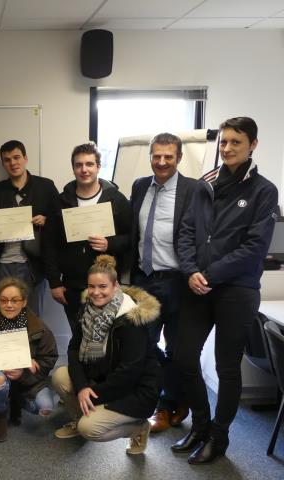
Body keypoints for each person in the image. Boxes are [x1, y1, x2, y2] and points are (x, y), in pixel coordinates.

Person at [173, 117, 279, 464]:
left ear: (253, 145)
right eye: (223, 142)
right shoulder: (204, 183)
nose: (228, 148)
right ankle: (200, 426)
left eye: (236, 141)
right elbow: (187, 232)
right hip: (197, 285)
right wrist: (190, 271)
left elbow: (255, 246)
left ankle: (219, 438)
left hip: (236, 289)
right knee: (183, 356)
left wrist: (209, 273)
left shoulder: (264, 191)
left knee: (226, 367)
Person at [52, 255, 161, 455]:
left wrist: (92, 396)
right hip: (101, 378)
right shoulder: (87, 310)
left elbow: (129, 373)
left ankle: (139, 428)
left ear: (116, 286)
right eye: (91, 287)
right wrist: (83, 386)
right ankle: (81, 418)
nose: (96, 292)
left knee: (90, 429)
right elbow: (74, 349)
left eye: (103, 287)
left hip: (135, 392)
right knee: (59, 376)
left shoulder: (131, 320)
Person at [130, 133, 198, 433]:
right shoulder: (140, 186)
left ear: (179, 158)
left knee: (178, 349)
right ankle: (167, 399)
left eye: (168, 156)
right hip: (144, 280)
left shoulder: (194, 189)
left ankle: (170, 404)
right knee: (144, 344)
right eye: (156, 156)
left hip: (178, 282)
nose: (161, 162)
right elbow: (134, 232)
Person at [42, 142, 131, 337]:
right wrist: (55, 283)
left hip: (106, 284)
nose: (84, 170)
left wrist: (110, 244)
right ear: (73, 167)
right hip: (72, 285)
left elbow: (131, 239)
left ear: (98, 166)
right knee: (79, 336)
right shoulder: (60, 201)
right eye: (79, 165)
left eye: (89, 164)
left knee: (108, 337)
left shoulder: (117, 200)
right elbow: (49, 245)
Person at [0, 140, 59, 316]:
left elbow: (60, 220)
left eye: (16, 157)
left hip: (32, 265)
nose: (13, 163)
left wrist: (47, 220)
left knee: (32, 317)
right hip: (2, 264)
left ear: (25, 158)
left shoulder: (45, 186)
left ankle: (32, 345)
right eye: (7, 160)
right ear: (3, 164)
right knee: (6, 316)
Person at [0, 277, 58, 442]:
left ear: (24, 301)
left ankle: (17, 401)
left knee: (46, 407)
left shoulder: (40, 328)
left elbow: (49, 357)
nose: (9, 305)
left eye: (15, 300)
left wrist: (25, 371)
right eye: (4, 300)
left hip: (28, 380)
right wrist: (12, 362)